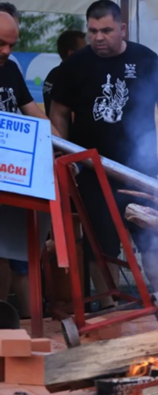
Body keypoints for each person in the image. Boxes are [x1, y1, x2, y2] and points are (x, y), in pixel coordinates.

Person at [50, 0, 158, 296]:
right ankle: (109, 306)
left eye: (107, 30)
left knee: (154, 236)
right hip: (92, 173)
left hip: (142, 170)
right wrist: (63, 152)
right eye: (93, 30)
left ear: (122, 29)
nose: (99, 37)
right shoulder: (74, 66)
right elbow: (57, 111)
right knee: (102, 244)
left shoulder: (145, 59)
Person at [0, 10, 60, 317]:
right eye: (0, 44)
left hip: (15, 175)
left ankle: (16, 320)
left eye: (11, 44)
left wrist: (61, 145)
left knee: (16, 253)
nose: (6, 51)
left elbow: (32, 111)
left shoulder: (9, 69)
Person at [43, 30, 87, 116]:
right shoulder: (73, 79)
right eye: (84, 50)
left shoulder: (53, 74)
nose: (88, 54)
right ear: (71, 54)